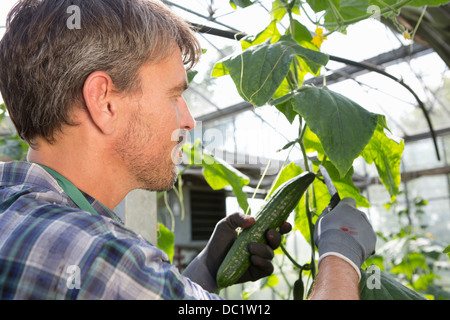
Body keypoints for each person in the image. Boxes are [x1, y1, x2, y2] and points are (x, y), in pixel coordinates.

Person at [0, 0, 376, 300]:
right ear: (105, 102)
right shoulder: (98, 254)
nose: (188, 120)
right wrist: (341, 253)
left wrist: (206, 271)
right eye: (175, 95)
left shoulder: (17, 208)